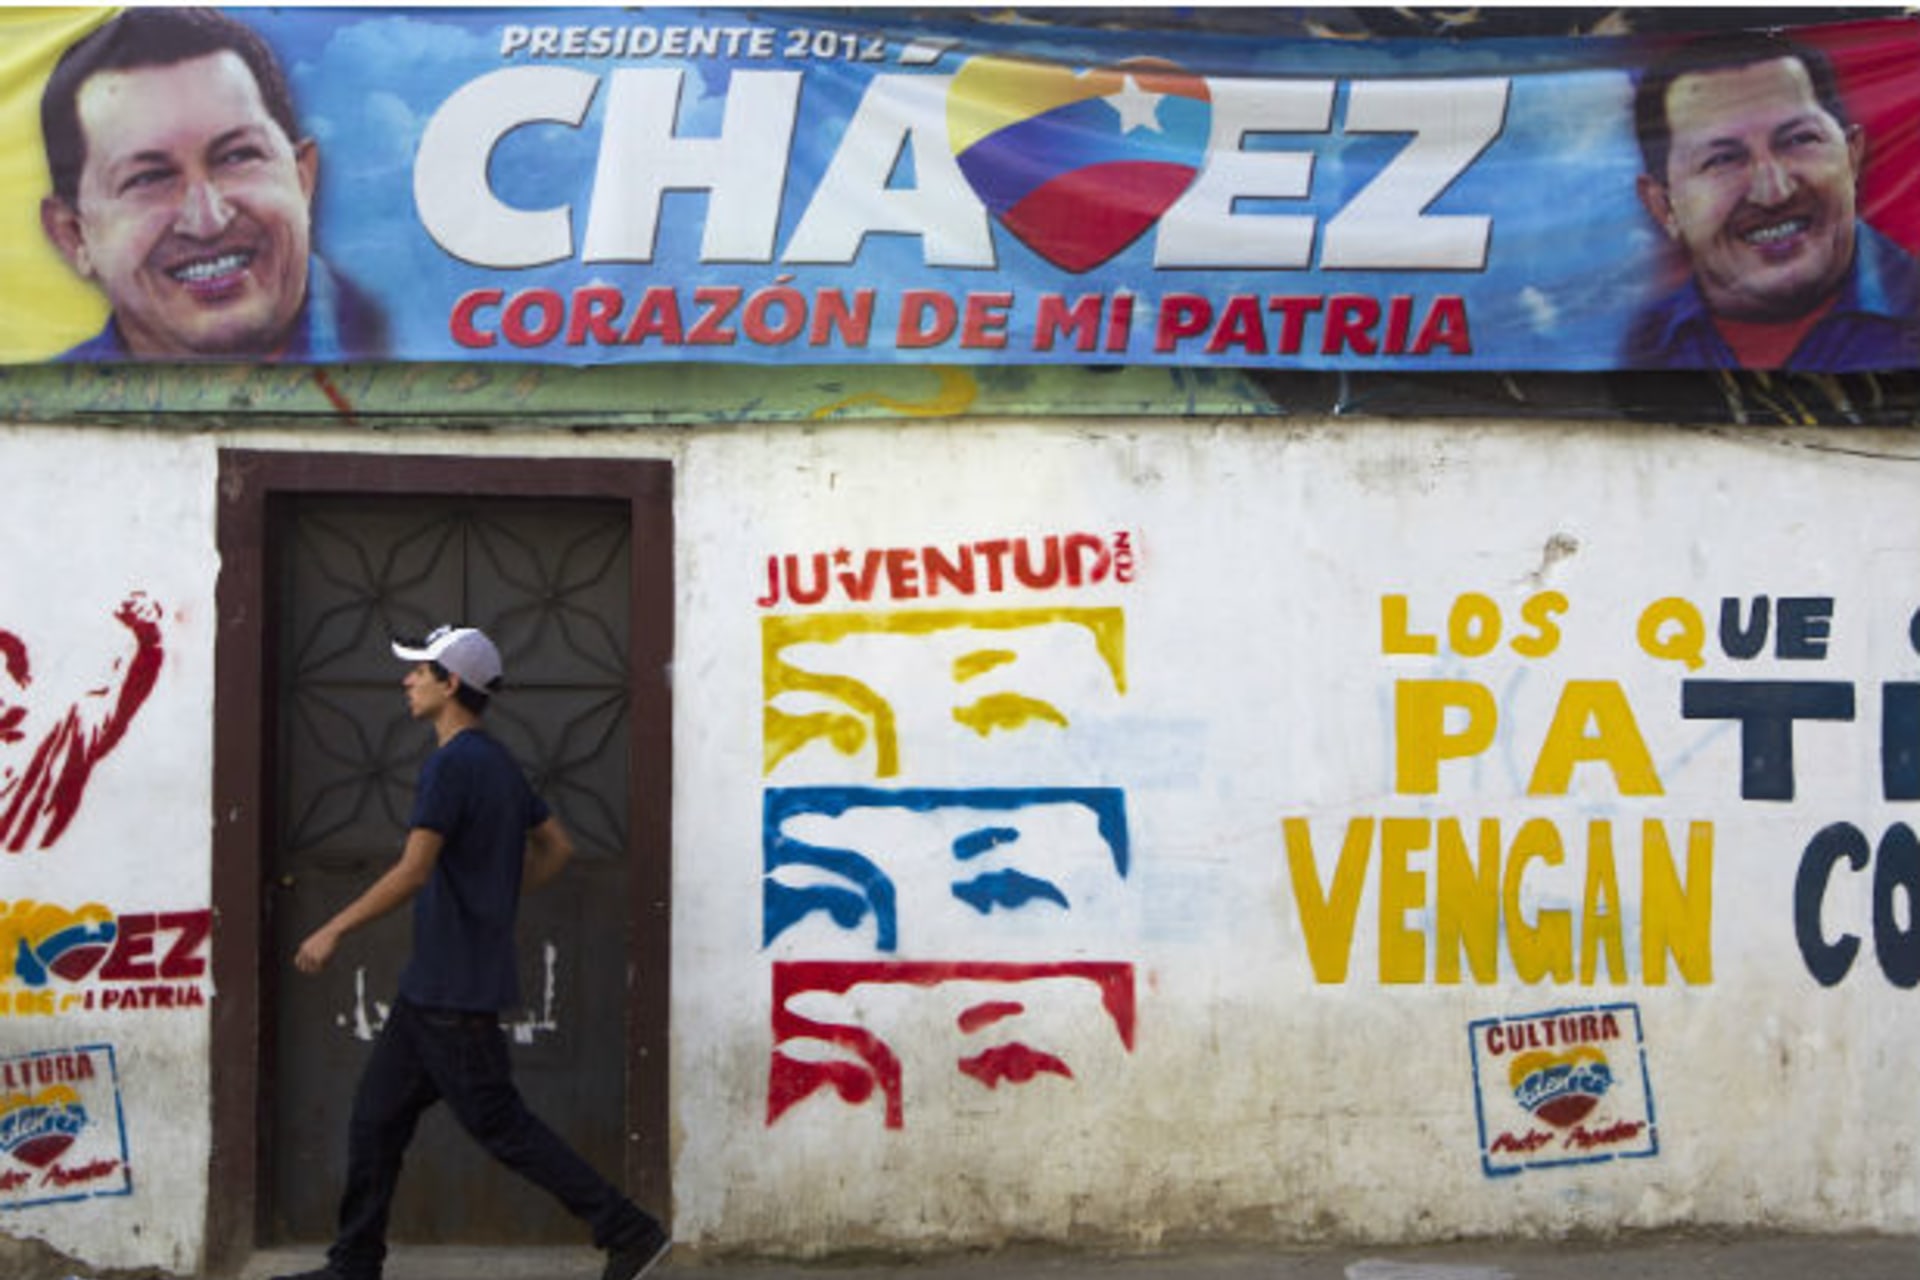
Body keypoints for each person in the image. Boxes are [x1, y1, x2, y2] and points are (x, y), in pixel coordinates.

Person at [275, 625, 668, 1280]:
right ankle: (353, 1264)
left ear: (450, 683)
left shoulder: (452, 765)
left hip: (452, 995)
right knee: (375, 1121)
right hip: (431, 991)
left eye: (419, 671)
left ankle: (629, 1230)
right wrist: (497, 895)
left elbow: (412, 871)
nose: (407, 681)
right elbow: (558, 847)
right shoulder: (496, 762)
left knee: (503, 1128)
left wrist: (333, 929)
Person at [37, 7, 385, 361]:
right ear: (73, 235)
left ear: (303, 178)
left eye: (237, 157)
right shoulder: (34, 405)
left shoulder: (403, 336)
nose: (207, 221)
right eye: (149, 178)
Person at [1625, 29, 1920, 371]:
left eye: (1798, 139)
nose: (1773, 192)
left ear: (1852, 157)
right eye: (1722, 159)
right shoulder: (1639, 345)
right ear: (1663, 205)